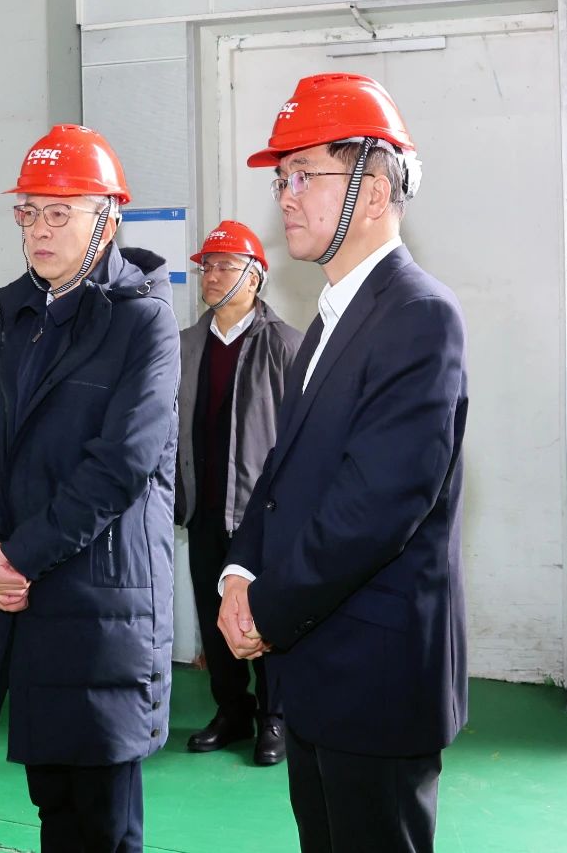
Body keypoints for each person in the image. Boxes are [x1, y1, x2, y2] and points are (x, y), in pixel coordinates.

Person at [217, 72, 468, 853]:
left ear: (373, 191)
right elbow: (282, 473)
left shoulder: (420, 317)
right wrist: (239, 571)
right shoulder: (330, 317)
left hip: (377, 677)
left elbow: (375, 509)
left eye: (304, 175)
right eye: (282, 179)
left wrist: (266, 609)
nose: (285, 197)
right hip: (318, 665)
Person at [0, 124, 180, 853]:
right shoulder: (21, 318)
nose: (39, 230)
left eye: (60, 213)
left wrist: (15, 558)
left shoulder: (144, 322)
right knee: (53, 804)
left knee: (104, 819)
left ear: (107, 220)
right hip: (27, 600)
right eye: (29, 212)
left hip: (102, 604)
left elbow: (120, 465)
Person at [175, 220, 300, 765]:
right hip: (203, 508)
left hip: (261, 513)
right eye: (207, 266)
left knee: (264, 615)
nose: (211, 275)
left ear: (254, 278)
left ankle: (276, 717)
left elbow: (303, 438)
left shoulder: (286, 346)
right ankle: (231, 710)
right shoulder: (184, 346)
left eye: (225, 266)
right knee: (213, 613)